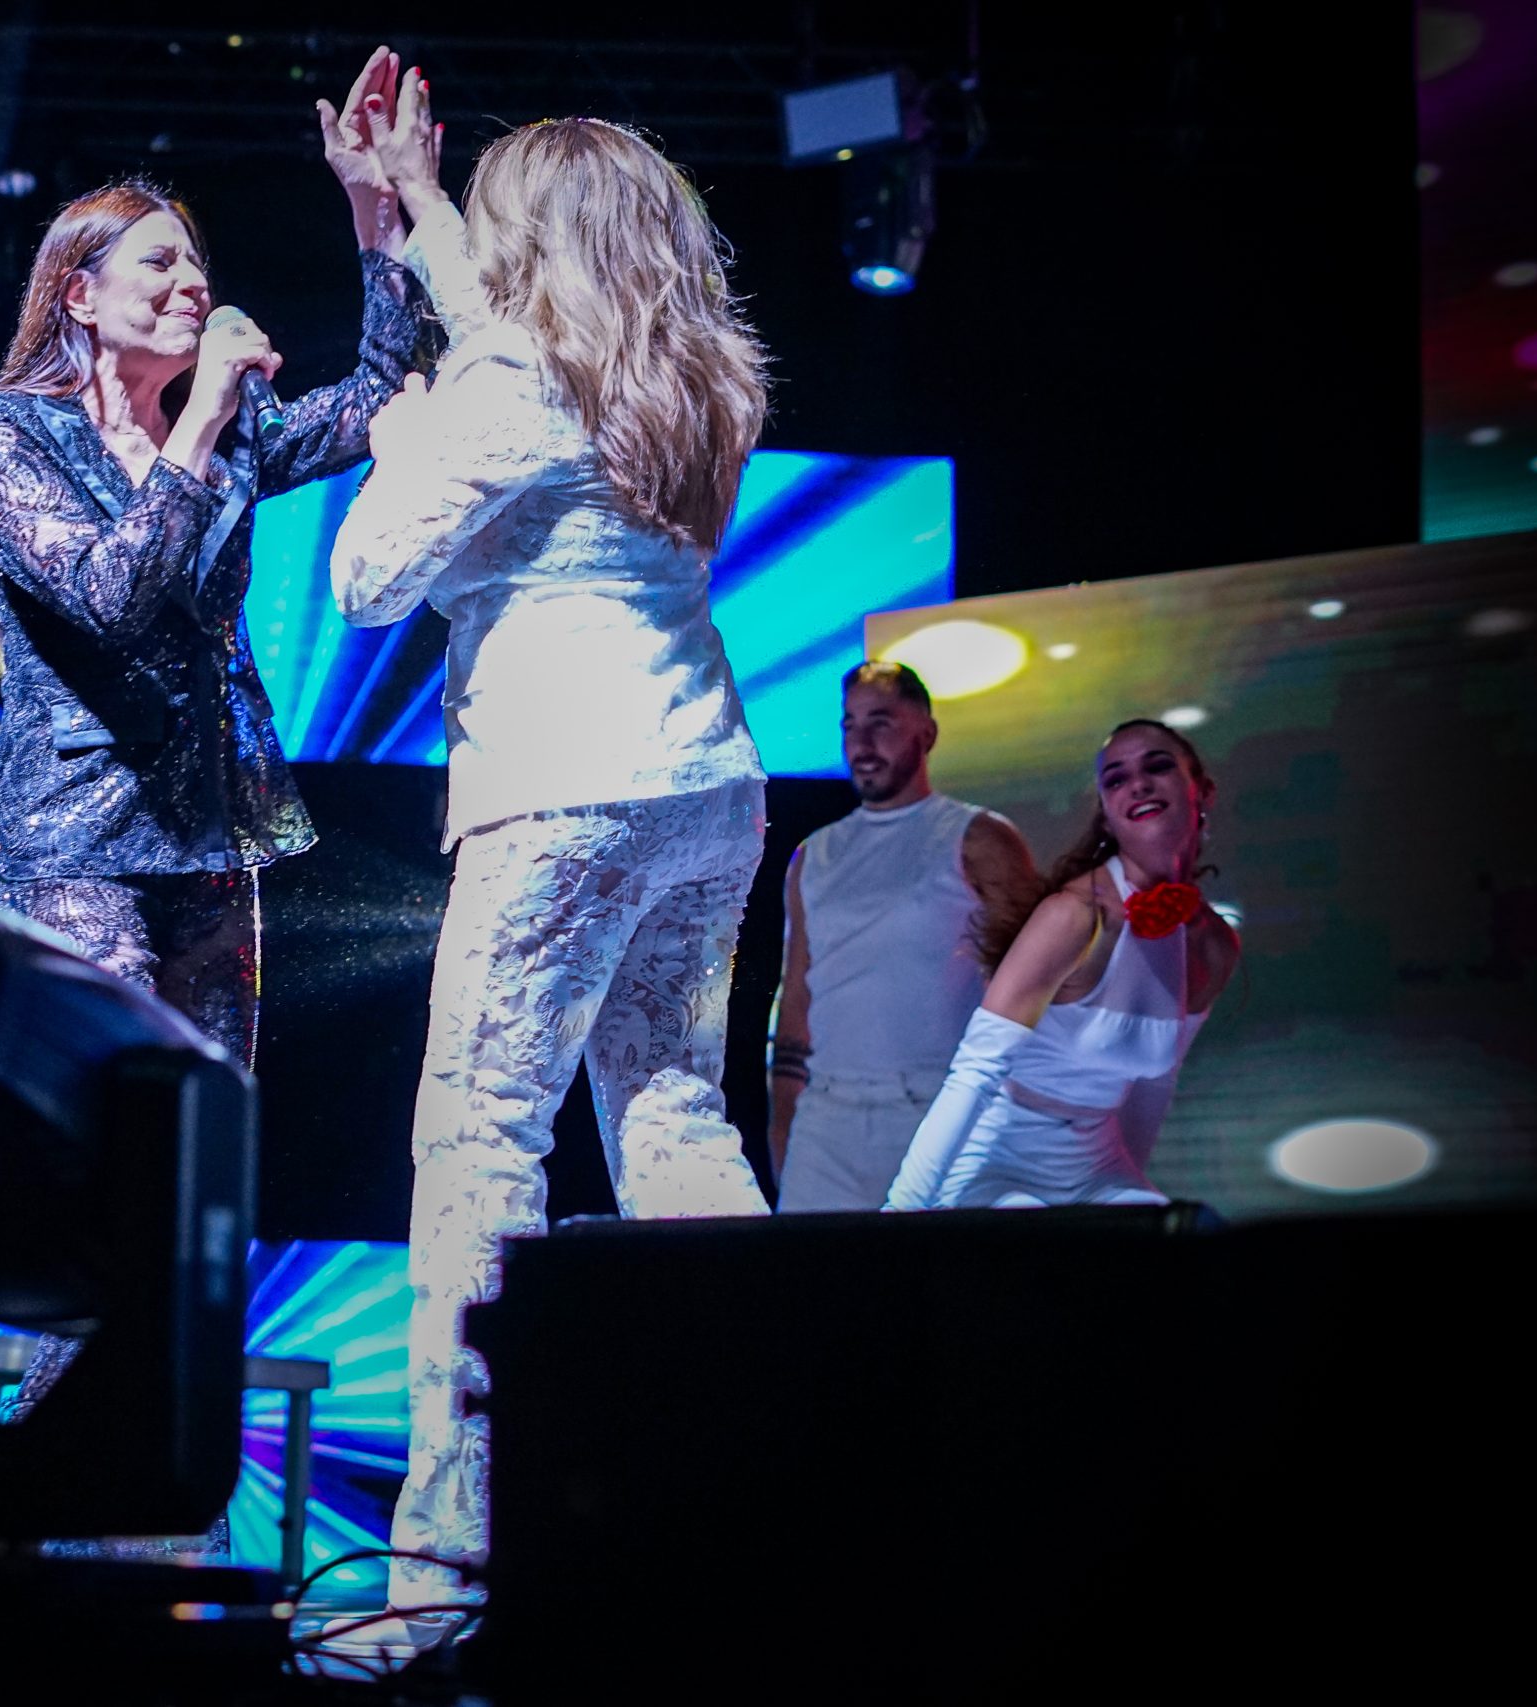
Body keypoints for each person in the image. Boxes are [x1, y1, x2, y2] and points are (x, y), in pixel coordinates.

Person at [0, 50, 436, 1488]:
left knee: (199, 1166)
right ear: (77, 292)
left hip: (213, 842)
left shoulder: (217, 433)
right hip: (76, 842)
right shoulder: (12, 432)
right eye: (157, 264)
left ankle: (170, 1494)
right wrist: (209, 423)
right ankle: (53, 1488)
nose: (190, 285)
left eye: (197, 266)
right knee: (106, 1153)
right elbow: (108, 597)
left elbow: (383, 390)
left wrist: (372, 213)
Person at [329, 100, 776, 1633]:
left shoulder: (513, 377)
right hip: (705, 786)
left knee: (480, 1150)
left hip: (559, 801)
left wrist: (401, 439)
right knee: (677, 1124)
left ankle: (441, 1579)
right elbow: (500, 338)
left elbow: (364, 578)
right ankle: (771, 1490)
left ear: (539, 236)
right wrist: (418, 197)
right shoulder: (695, 372)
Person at [882, 718, 1242, 1211]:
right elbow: (974, 1071)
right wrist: (898, 1215)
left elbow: (1155, 1085)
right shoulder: (1074, 916)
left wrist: (1131, 1189)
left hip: (1098, 1166)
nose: (1137, 784)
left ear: (1203, 791)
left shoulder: (1214, 945)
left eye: (1157, 766)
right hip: (998, 1160)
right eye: (1116, 778)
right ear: (1107, 815)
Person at [765, 661, 1039, 1211]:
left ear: (927, 733)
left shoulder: (978, 838)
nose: (861, 742)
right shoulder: (812, 856)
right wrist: (783, 1120)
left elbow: (1035, 988)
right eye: (850, 724)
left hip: (936, 1107)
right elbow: (797, 996)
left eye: (881, 722)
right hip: (827, 1119)